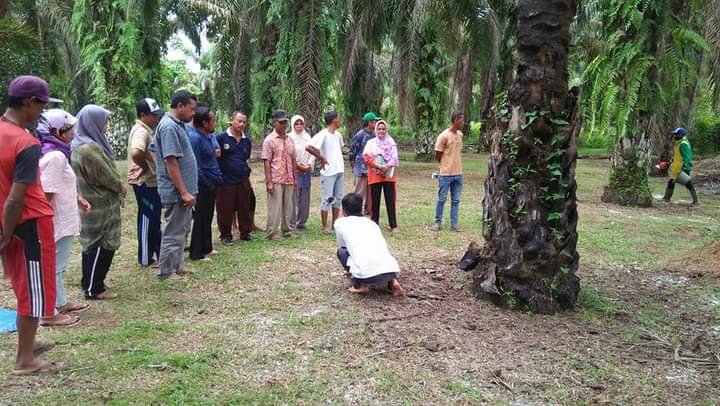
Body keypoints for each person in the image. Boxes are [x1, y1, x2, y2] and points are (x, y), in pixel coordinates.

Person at [1, 75, 64, 374]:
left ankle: (29, 343)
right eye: (41, 105)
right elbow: (15, 198)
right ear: (29, 102)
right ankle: (25, 360)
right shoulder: (25, 142)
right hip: (27, 224)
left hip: (10, 224)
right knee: (34, 291)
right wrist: (7, 231)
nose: (42, 112)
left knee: (22, 284)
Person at [38, 109, 91, 327]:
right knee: (51, 267)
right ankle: (48, 312)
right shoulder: (55, 156)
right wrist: (46, 223)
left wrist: (77, 197)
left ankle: (59, 302)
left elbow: (59, 184)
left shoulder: (59, 152)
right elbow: (47, 192)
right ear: (58, 131)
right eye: (70, 130)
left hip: (62, 219)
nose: (73, 134)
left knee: (58, 265)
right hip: (55, 221)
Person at [71, 105, 125, 300]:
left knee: (92, 244)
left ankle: (89, 282)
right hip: (99, 204)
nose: (106, 126)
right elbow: (107, 176)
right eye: (104, 122)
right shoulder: (89, 149)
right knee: (103, 243)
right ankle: (95, 288)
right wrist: (121, 186)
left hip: (92, 200)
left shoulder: (80, 144)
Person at [155, 90, 198, 280]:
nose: (194, 113)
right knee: (173, 231)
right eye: (192, 108)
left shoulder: (177, 125)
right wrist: (183, 191)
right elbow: (170, 161)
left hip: (185, 191)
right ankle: (167, 271)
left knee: (182, 229)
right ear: (180, 106)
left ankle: (177, 265)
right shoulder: (168, 127)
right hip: (176, 192)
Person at [335, 193, 404, 296]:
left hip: (366, 275)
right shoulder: (371, 223)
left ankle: (360, 285)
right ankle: (393, 282)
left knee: (341, 252)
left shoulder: (340, 223)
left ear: (344, 210)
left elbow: (344, 246)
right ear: (361, 208)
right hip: (391, 271)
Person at [127, 97, 163, 268]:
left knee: (154, 218)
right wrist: (145, 167)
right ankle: (145, 258)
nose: (156, 118)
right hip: (144, 183)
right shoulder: (141, 131)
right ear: (143, 115)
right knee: (147, 218)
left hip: (151, 183)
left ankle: (157, 253)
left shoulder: (147, 130)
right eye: (153, 115)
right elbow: (136, 152)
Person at [188, 105, 223, 261]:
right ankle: (196, 252)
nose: (215, 123)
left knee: (208, 216)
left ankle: (207, 247)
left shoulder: (208, 136)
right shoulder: (195, 139)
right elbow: (196, 165)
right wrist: (206, 182)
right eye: (213, 120)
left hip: (212, 180)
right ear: (204, 123)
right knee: (201, 218)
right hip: (203, 183)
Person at [215, 111, 255, 245]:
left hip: (242, 179)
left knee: (244, 206)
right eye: (239, 121)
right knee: (225, 208)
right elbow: (215, 157)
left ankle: (245, 233)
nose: (241, 124)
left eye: (244, 122)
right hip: (226, 180)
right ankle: (225, 235)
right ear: (231, 121)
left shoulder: (246, 141)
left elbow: (246, 159)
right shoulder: (221, 138)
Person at [306, 111, 343, 233]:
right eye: (338, 118)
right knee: (327, 198)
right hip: (328, 172)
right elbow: (309, 147)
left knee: (337, 198)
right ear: (334, 120)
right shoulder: (323, 134)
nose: (340, 120)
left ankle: (334, 225)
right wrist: (321, 158)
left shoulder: (338, 135)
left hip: (339, 170)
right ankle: (324, 226)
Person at [262, 110, 297, 240]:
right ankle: (272, 232)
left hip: (288, 178)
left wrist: (294, 178)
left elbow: (293, 159)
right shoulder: (269, 140)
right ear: (274, 123)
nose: (284, 125)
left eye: (285, 122)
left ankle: (287, 229)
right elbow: (267, 162)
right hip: (276, 177)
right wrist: (269, 182)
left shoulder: (289, 139)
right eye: (281, 122)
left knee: (288, 206)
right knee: (275, 207)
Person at [431, 112, 465, 232]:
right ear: (455, 120)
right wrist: (445, 165)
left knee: (456, 200)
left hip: (458, 173)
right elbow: (438, 154)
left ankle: (454, 224)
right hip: (445, 174)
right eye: (461, 120)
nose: (463, 123)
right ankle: (437, 222)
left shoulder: (460, 135)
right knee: (442, 199)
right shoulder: (444, 136)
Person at [363, 120, 399, 232]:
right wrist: (378, 166)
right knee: (374, 201)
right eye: (379, 129)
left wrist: (386, 166)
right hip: (375, 175)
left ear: (386, 130)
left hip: (388, 175)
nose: (381, 131)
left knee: (390, 200)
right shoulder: (371, 143)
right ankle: (374, 225)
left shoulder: (391, 142)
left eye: (383, 129)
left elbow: (394, 157)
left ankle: (393, 225)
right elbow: (366, 157)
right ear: (376, 130)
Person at [349, 112, 379, 215]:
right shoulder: (360, 135)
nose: (376, 123)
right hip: (360, 167)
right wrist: (353, 165)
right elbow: (353, 151)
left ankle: (368, 210)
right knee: (359, 191)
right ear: (369, 122)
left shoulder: (375, 135)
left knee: (370, 191)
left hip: (372, 167)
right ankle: (355, 210)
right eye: (374, 121)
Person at [288, 115, 314, 229]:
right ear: (293, 125)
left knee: (305, 195)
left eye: (301, 124)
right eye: (296, 124)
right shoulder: (289, 137)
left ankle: (302, 221)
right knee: (293, 196)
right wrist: (297, 165)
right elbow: (288, 154)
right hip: (295, 170)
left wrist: (308, 165)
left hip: (306, 170)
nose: (299, 126)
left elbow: (313, 152)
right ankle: (292, 221)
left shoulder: (307, 137)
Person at [662, 127, 699, 205]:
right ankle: (666, 198)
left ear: (681, 135)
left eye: (676, 134)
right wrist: (669, 163)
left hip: (681, 168)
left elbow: (687, 157)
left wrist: (684, 167)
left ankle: (696, 201)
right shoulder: (681, 143)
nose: (674, 136)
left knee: (688, 184)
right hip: (677, 167)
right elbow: (677, 157)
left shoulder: (683, 144)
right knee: (671, 182)